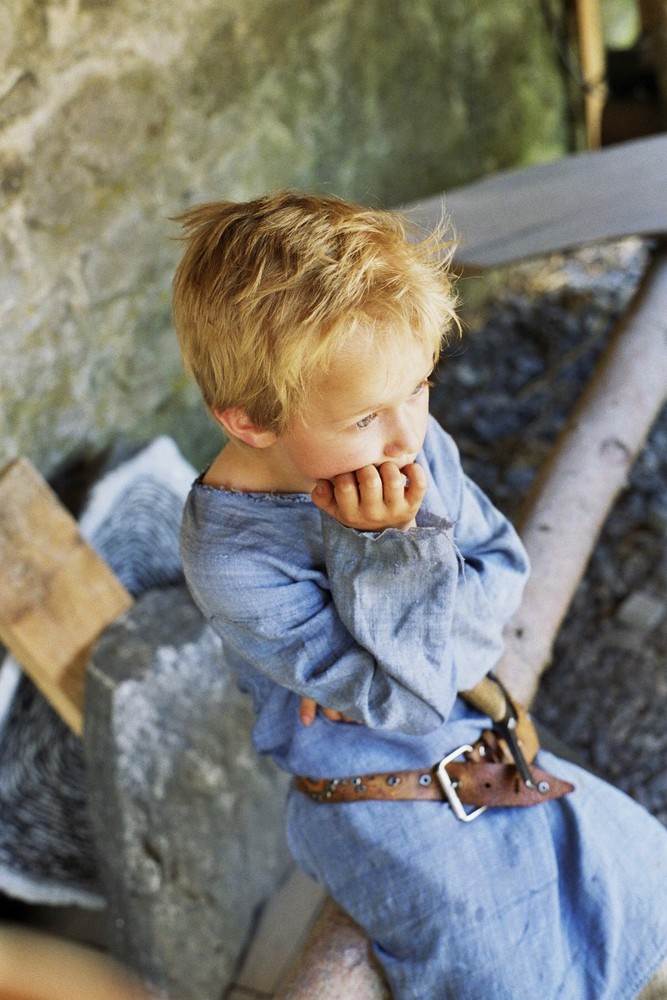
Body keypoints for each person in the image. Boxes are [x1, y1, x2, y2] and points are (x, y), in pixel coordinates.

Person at [172, 190, 667, 999]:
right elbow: (408, 701)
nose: (410, 436)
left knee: (637, 870)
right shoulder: (230, 557)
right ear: (250, 423)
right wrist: (388, 548)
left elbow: (500, 572)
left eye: (420, 387)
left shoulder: (400, 442)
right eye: (368, 414)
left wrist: (424, 651)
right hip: (364, 791)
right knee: (500, 967)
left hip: (471, 724)